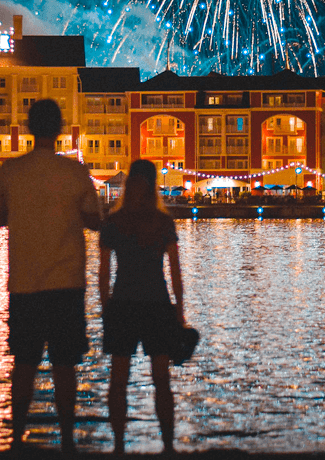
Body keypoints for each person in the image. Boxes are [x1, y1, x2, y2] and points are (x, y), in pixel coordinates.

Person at [0, 98, 101, 452]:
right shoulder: (76, 173)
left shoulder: (10, 171)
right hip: (67, 283)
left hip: (24, 283)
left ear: (27, 128)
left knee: (24, 362)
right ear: (61, 130)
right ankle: (67, 440)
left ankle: (17, 438)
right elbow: (95, 220)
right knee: (65, 365)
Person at [98, 159, 185, 454]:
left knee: (118, 379)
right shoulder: (163, 222)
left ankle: (120, 446)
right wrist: (179, 309)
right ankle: (168, 446)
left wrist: (105, 306)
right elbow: (174, 269)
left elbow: (103, 270)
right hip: (157, 303)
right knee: (161, 379)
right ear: (154, 184)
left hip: (122, 302)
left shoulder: (114, 221)